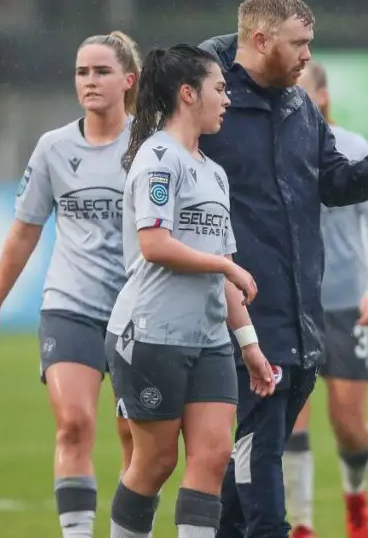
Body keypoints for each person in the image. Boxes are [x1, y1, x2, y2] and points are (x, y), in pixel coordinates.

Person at [196, 0, 368, 538]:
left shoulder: (299, 108)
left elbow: (332, 181)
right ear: (261, 41)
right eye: (300, 44)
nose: (309, 55)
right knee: (263, 459)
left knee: (242, 476)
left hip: (302, 317)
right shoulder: (207, 108)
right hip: (243, 317)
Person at [0, 31, 140, 538]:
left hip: (136, 311)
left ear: (128, 80)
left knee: (134, 436)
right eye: (82, 72)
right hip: (71, 305)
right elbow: (24, 231)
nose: (89, 81)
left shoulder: (151, 147)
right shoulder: (53, 148)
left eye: (101, 71)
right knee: (73, 424)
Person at [105, 44, 277, 538]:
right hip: (152, 333)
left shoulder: (214, 172)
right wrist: (227, 264)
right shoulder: (158, 158)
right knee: (155, 462)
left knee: (213, 457)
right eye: (220, 89)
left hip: (208, 341)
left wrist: (251, 348)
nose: (227, 99)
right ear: (187, 94)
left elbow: (221, 276)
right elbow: (155, 245)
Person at [283, 61, 368, 538]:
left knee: (349, 426)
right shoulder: (275, 148)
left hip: (347, 303)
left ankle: (355, 492)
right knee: (290, 421)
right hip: (291, 304)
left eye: (302, 90)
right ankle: (302, 523)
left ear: (321, 96)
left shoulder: (351, 148)